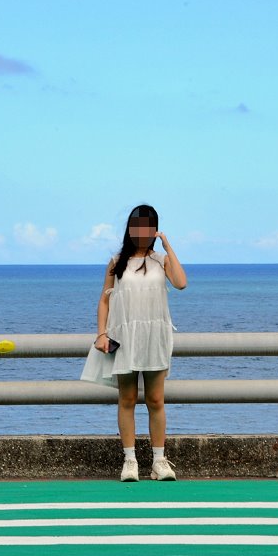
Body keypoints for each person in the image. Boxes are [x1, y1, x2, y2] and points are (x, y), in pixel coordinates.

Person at [80, 204, 187, 482]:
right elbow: (105, 299)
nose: (142, 232)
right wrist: (101, 333)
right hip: (125, 337)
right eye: (137, 226)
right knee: (126, 399)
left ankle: (159, 461)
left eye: (148, 227)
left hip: (155, 336)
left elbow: (181, 282)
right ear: (130, 228)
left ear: (154, 229)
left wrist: (167, 245)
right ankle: (130, 460)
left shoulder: (161, 260)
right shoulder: (117, 262)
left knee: (155, 400)